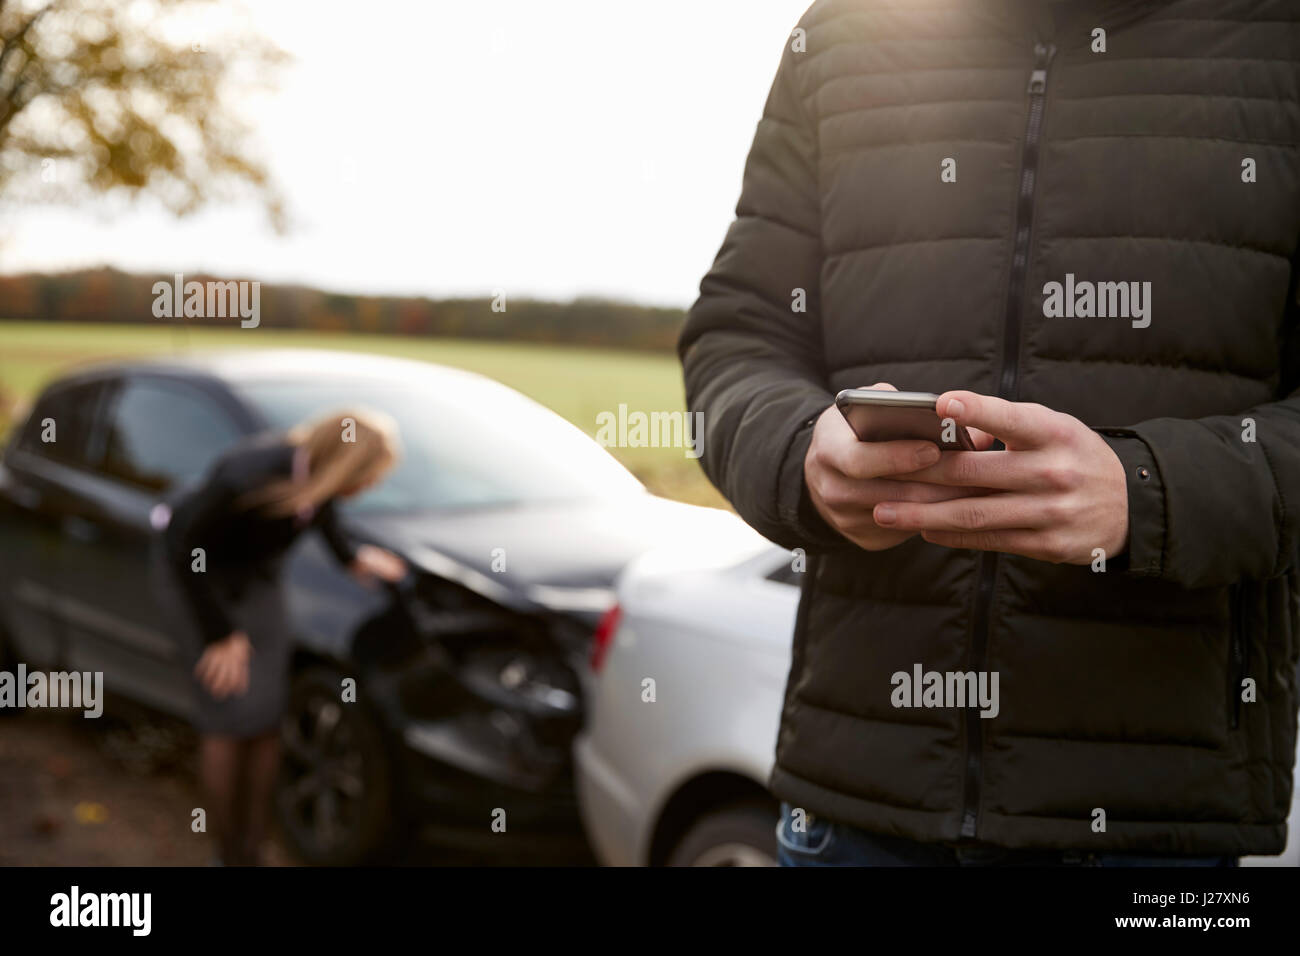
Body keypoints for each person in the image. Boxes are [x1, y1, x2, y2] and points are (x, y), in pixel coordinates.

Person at [680, 0, 1300, 866]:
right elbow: (739, 334)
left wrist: (1150, 493)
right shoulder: (846, 31)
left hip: (1151, 834)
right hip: (851, 812)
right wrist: (797, 454)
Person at [163, 409, 407, 865]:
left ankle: (254, 847)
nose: (372, 486)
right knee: (230, 716)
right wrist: (220, 635)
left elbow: (321, 505)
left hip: (256, 579)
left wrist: (351, 559)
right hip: (199, 580)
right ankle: (228, 853)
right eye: (370, 476)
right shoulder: (247, 476)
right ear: (345, 465)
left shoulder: (316, 475)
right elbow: (187, 550)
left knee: (266, 718)